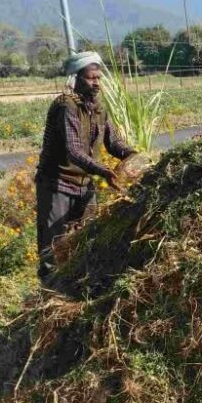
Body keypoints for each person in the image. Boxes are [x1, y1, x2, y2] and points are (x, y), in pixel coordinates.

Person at [35, 51, 137, 284]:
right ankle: (48, 296)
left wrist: (134, 155)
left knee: (87, 240)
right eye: (91, 78)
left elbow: (113, 142)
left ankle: (75, 289)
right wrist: (103, 171)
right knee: (53, 247)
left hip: (84, 185)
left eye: (99, 78)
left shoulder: (98, 108)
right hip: (57, 185)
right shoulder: (65, 106)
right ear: (76, 79)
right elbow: (74, 150)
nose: (96, 83)